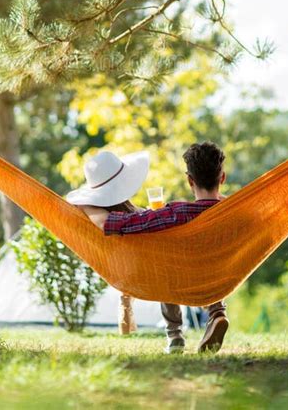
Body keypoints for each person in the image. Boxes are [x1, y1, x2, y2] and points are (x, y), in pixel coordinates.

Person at [79, 142, 229, 354]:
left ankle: (174, 334)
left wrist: (86, 204)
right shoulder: (233, 212)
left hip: (177, 281)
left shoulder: (175, 212)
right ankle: (217, 312)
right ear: (222, 178)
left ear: (189, 180)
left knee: (163, 255)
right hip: (216, 279)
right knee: (204, 259)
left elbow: (113, 223)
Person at [66, 149, 150, 335]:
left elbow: (132, 214)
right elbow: (105, 223)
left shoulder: (118, 206)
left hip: (133, 257)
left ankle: (126, 302)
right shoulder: (95, 210)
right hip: (128, 259)